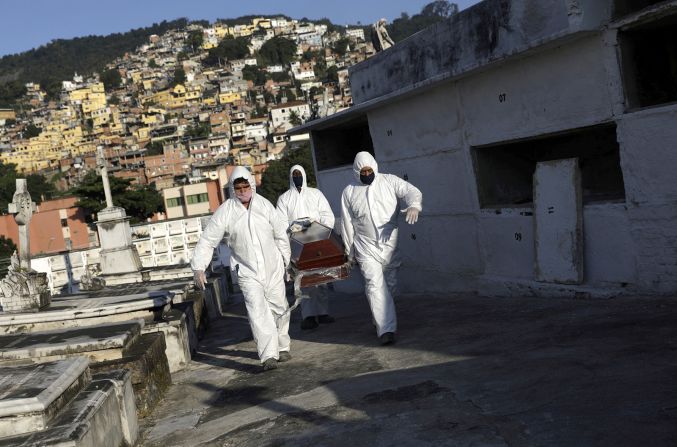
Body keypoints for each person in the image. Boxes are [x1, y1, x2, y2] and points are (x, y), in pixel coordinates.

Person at [191, 166, 291, 371]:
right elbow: (208, 240)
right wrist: (198, 267)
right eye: (238, 188)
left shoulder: (265, 206)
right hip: (247, 272)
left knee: (280, 307)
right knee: (257, 312)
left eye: (246, 186)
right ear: (232, 190)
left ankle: (282, 345)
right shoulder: (225, 212)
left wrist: (285, 260)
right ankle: (268, 355)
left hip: (273, 266)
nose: (243, 191)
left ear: (252, 186)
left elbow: (280, 234)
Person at [340, 152, 422, 345]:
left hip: (389, 246)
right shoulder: (349, 192)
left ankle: (381, 319)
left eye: (369, 170)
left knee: (389, 286)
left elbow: (411, 191)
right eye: (363, 171)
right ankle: (386, 330)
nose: (367, 174)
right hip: (365, 246)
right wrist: (349, 251)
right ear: (356, 171)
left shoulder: (389, 181)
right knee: (374, 285)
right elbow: (347, 222)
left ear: (375, 168)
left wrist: (414, 206)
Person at [277, 164, 336, 330]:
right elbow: (280, 224)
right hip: (297, 245)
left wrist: (317, 228)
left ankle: (323, 313)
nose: (297, 176)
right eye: (294, 174)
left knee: (321, 278)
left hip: (317, 241)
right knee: (303, 280)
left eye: (299, 173)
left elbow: (327, 215)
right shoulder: (284, 198)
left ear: (303, 174)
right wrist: (294, 229)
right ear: (290, 176)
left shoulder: (315, 194)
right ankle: (308, 315)